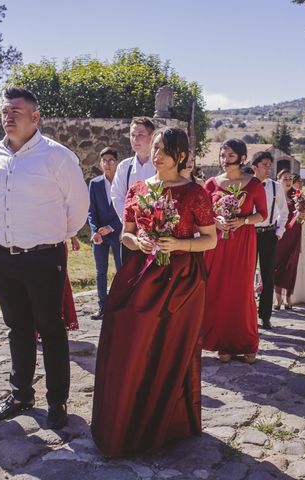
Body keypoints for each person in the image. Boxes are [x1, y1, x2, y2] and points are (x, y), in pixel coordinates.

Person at [92, 127, 217, 457]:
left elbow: (210, 239)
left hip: (182, 281)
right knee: (129, 342)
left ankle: (165, 421)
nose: (157, 154)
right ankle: (126, 416)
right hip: (140, 274)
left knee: (166, 348)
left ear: (181, 156)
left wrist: (178, 243)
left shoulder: (194, 193)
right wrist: (140, 242)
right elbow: (126, 236)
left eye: (164, 149)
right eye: (156, 147)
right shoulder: (138, 188)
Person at [0, 87, 89, 429]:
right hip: (3, 256)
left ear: (35, 116)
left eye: (16, 110)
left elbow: (79, 208)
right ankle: (20, 394)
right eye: (5, 110)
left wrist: (55, 237)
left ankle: (57, 401)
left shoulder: (57, 156)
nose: (8, 116)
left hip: (44, 258)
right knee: (17, 328)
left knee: (51, 329)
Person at [203, 139, 268, 364]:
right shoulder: (211, 184)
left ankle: (247, 343)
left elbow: (263, 214)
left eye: (230, 156)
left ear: (241, 159)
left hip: (243, 243)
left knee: (241, 291)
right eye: (222, 156)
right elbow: (201, 213)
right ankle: (223, 344)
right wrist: (215, 220)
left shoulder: (254, 185)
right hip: (217, 244)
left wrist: (242, 221)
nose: (225, 160)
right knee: (219, 291)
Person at [110, 117, 156, 263]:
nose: (135, 139)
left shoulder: (160, 165)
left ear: (152, 136)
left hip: (156, 234)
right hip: (132, 235)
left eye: (140, 135)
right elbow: (117, 196)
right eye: (132, 135)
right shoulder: (125, 167)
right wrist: (129, 223)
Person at [251, 151, 289, 329]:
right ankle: (247, 313)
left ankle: (265, 315)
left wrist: (279, 232)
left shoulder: (276, 187)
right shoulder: (246, 186)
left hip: (269, 234)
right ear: (255, 167)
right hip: (249, 234)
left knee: (268, 275)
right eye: (265, 165)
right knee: (246, 275)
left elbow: (284, 212)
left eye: (270, 165)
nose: (269, 169)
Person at [88, 147, 122, 319]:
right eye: (104, 161)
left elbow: (125, 210)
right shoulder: (95, 184)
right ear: (100, 163)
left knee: (121, 270)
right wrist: (95, 231)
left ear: (116, 162)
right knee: (100, 272)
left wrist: (112, 227)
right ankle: (102, 306)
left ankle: (120, 306)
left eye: (111, 160)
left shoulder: (122, 182)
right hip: (100, 235)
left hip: (118, 233)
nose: (107, 164)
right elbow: (91, 211)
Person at [274, 169, 305, 310]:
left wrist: (303, 214)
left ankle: (288, 297)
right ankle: (278, 298)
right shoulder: (274, 196)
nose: (288, 181)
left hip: (294, 235)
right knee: (276, 265)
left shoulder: (297, 197)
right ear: (278, 179)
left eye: (289, 179)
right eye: (285, 178)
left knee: (291, 265)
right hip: (279, 235)